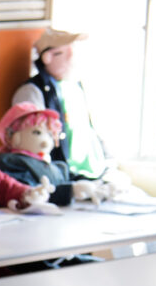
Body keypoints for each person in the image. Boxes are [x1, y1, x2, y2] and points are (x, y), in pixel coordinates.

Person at [11, 27, 109, 179]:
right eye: (65, 52)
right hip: (60, 174)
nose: (72, 56)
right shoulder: (32, 91)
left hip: (94, 172)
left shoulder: (74, 86)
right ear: (48, 57)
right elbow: (32, 141)